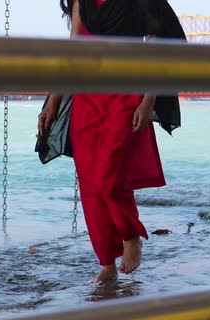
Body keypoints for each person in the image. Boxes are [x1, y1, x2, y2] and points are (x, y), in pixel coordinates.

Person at [38, 0, 184, 283]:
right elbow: (73, 50)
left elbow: (156, 45)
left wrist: (149, 99)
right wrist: (52, 102)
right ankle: (106, 263)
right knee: (90, 184)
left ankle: (131, 236)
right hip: (87, 97)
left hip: (125, 94)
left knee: (109, 176)